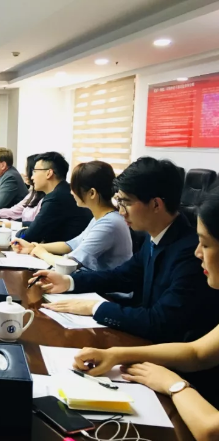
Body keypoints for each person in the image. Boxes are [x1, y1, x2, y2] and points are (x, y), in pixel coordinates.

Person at [72, 189, 219, 440]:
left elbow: (212, 430)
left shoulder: (182, 251)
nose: (197, 253)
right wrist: (116, 355)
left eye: (205, 244)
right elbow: (198, 352)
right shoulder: (154, 241)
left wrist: (173, 385)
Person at [29, 157, 219, 343]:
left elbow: (160, 321)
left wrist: (95, 308)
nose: (121, 211)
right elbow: (122, 276)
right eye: (119, 202)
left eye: (126, 202)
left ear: (155, 204)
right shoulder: (155, 236)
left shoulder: (190, 253)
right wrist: (69, 282)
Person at [13, 160, 132, 271]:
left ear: (92, 193)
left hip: (105, 287)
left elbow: (70, 264)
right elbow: (71, 245)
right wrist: (33, 247)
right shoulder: (102, 218)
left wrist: (42, 253)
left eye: (74, 188)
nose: (71, 192)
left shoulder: (109, 223)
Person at [13, 152, 92, 244]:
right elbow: (40, 224)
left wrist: (18, 233)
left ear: (49, 173)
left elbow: (28, 237)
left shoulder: (56, 198)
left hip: (67, 251)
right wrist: (22, 226)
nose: (32, 177)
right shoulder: (64, 190)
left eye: (34, 171)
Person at [0, 154, 44, 229]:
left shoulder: (10, 177)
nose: (25, 174)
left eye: (33, 171)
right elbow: (14, 211)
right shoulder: (34, 194)